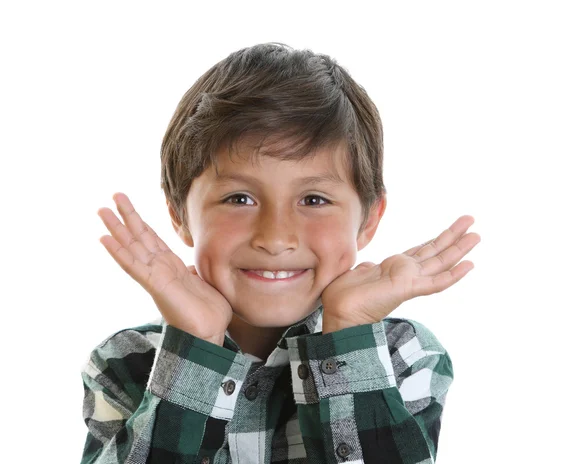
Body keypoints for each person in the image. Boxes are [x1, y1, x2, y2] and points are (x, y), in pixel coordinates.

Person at [80, 42, 480, 463]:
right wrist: (194, 350)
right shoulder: (126, 361)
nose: (275, 238)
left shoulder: (404, 354)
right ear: (179, 214)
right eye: (238, 199)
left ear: (368, 220)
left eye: (313, 200)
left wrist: (347, 333)